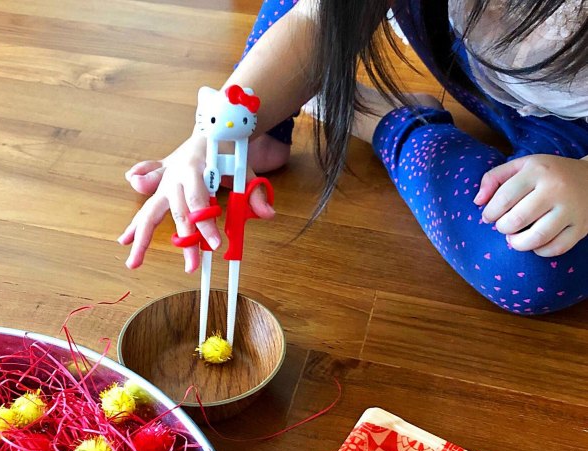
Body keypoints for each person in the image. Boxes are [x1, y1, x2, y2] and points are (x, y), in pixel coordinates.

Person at [119, 0, 588, 315]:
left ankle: (383, 116)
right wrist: (212, 136)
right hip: (479, 66)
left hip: (572, 127)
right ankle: (262, 131)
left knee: (527, 261)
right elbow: (316, 22)